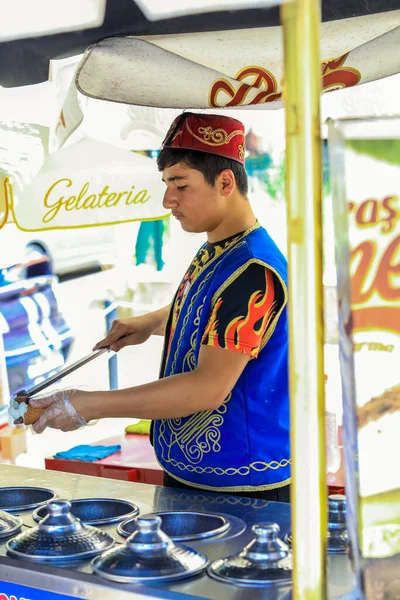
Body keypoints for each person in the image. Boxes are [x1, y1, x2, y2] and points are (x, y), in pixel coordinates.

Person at [26, 112, 290, 501]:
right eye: (167, 184)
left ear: (226, 182)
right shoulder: (222, 249)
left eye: (180, 185)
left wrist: (88, 405)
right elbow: (208, 308)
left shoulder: (254, 271)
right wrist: (150, 323)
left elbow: (207, 389)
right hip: (197, 473)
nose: (168, 200)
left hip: (243, 486)